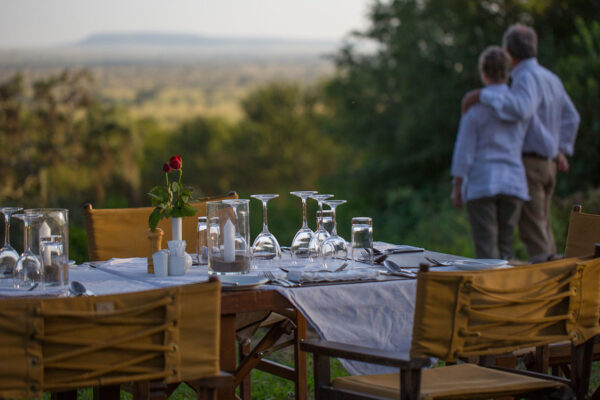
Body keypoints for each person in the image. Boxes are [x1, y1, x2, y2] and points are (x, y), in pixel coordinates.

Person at [461, 24, 580, 263]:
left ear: (508, 52)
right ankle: (556, 286)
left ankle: (549, 293)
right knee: (543, 228)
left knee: (534, 234)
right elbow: (572, 117)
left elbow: (521, 110)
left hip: (529, 164)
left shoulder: (525, 78)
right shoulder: (551, 77)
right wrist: (560, 150)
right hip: (548, 164)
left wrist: (481, 95)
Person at [451, 46, 529, 260]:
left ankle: (488, 292)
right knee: (506, 247)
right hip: (513, 181)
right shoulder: (520, 106)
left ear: (483, 73)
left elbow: (464, 150)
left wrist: (457, 185)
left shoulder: (474, 109)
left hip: (482, 181)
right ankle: (507, 291)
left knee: (486, 248)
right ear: (507, 72)